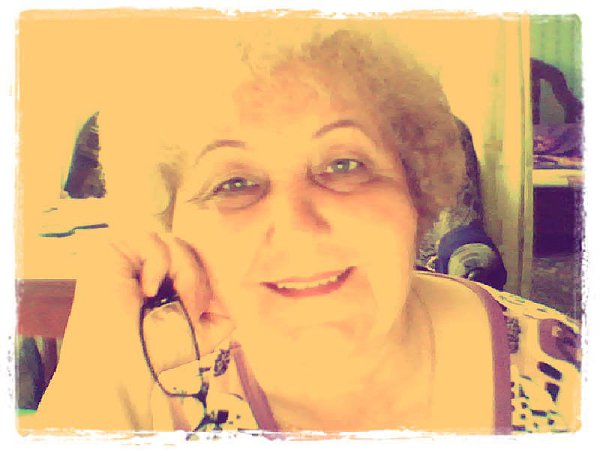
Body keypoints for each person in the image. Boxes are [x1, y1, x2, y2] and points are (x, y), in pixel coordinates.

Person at [22, 24, 581, 436]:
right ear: (174, 228)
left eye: (343, 164)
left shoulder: (568, 376)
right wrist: (99, 378)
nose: (297, 227)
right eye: (234, 183)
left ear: (416, 189)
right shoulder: (146, 395)